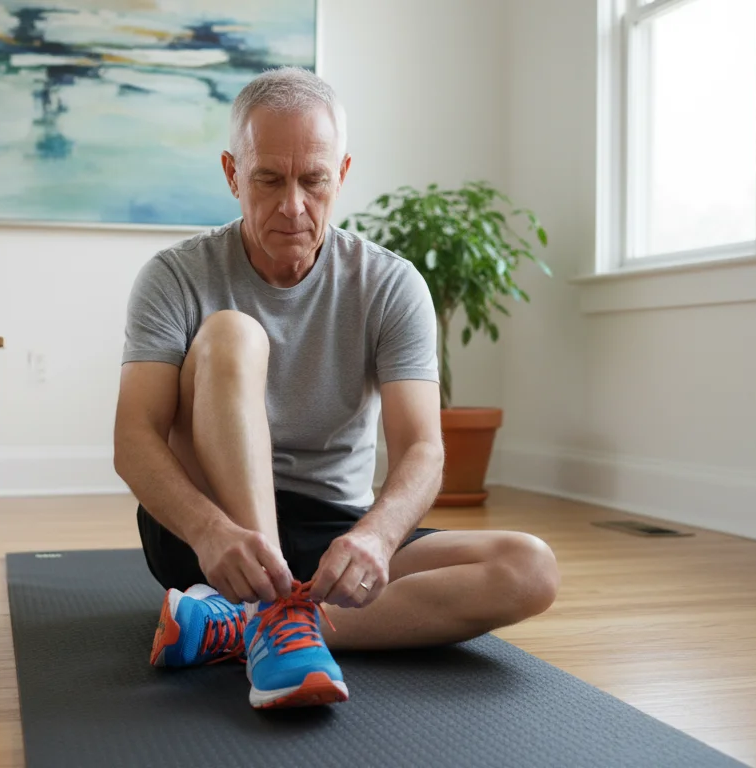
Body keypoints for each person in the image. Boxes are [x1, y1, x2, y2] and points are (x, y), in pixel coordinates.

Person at [113, 67, 559, 710]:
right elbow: (134, 439)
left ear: (341, 174)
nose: (293, 205)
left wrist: (376, 537)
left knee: (531, 568)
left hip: (335, 537)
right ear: (232, 173)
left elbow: (423, 451)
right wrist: (210, 532)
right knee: (234, 334)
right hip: (210, 538)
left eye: (313, 180)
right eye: (268, 178)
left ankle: (258, 623)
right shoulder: (174, 276)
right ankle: (270, 612)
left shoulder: (391, 284)